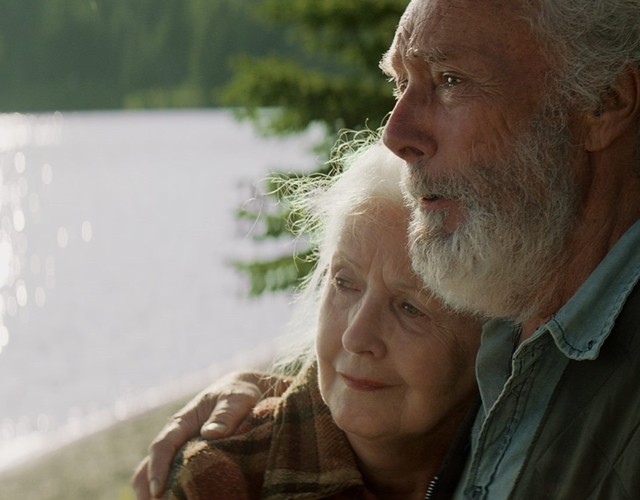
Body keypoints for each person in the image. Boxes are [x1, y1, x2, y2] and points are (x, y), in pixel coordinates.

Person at [134, 0, 640, 498]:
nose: (396, 134)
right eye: (400, 83)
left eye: (450, 80)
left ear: (603, 101)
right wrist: (283, 420)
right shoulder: (510, 343)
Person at [160, 141, 481, 499]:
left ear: (491, 332)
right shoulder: (221, 478)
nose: (355, 337)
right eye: (344, 283)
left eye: (410, 307)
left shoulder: (535, 458)